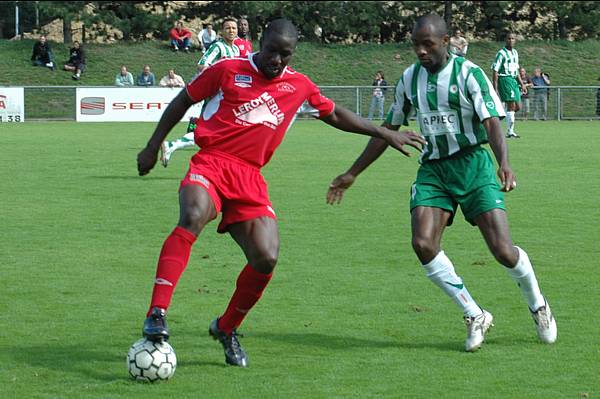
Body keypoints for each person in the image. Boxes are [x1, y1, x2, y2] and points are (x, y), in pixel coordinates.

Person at [136, 18, 424, 368]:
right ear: (261, 42)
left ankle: (226, 328)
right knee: (193, 215)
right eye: (272, 51)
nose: (277, 60)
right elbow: (183, 101)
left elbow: (335, 114)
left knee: (266, 257)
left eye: (284, 55)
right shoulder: (228, 70)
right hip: (212, 162)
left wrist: (384, 133)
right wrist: (153, 146)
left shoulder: (298, 85)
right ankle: (157, 311)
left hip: (249, 176)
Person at [327, 14, 557, 353]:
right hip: (433, 170)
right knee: (422, 243)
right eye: (415, 45)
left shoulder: (469, 74)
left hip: (473, 165)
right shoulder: (408, 79)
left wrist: (503, 163)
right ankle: (474, 314)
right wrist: (352, 173)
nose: (420, 51)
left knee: (503, 251)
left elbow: (492, 122)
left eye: (427, 44)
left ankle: (538, 305)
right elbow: (387, 130)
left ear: (445, 42)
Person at [159, 17, 242, 168]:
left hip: (227, 96)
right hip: (216, 96)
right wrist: (216, 82)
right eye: (228, 28)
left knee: (216, 132)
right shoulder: (218, 47)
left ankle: (176, 147)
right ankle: (174, 146)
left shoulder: (236, 49)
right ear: (222, 31)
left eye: (234, 28)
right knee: (213, 131)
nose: (231, 31)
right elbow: (202, 65)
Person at [492, 32, 527, 138]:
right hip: (505, 79)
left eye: (513, 38)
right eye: (509, 38)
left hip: (513, 80)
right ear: (505, 40)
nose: (511, 40)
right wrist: (495, 86)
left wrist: (522, 84)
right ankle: (510, 131)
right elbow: (495, 70)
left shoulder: (515, 53)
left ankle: (500, 116)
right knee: (511, 105)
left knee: (518, 106)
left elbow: (516, 70)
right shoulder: (501, 53)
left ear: (515, 40)